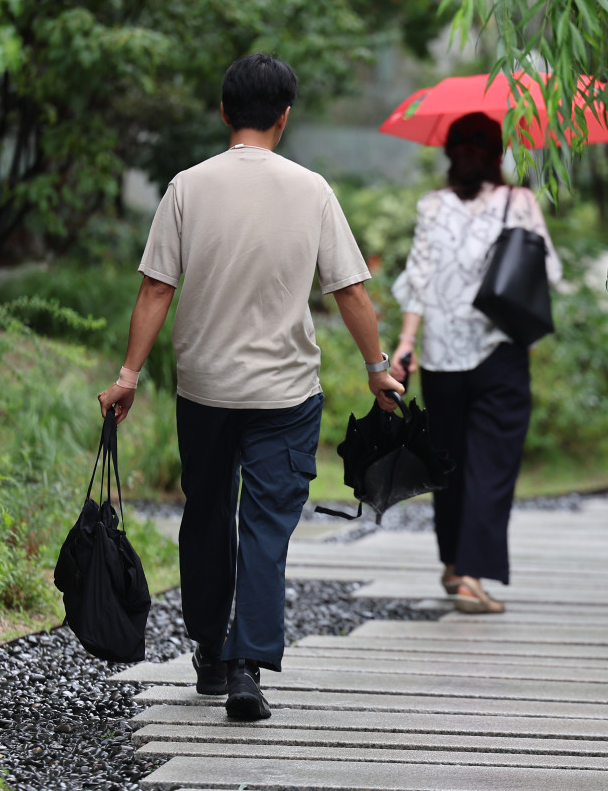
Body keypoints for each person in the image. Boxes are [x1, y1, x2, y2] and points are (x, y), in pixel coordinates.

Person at [96, 53, 402, 720]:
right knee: (265, 527)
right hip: (286, 395)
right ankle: (245, 665)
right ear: (285, 117)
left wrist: (127, 376)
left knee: (206, 514)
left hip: (204, 388)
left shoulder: (187, 187)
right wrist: (378, 368)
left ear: (225, 112)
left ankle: (209, 649)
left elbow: (155, 287)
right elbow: (349, 289)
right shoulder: (313, 190)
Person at [389, 112, 560, 615]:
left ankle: (452, 564)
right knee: (492, 467)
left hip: (441, 358)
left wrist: (406, 342)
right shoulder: (519, 200)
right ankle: (470, 576)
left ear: (449, 154)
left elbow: (418, 279)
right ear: (496, 153)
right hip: (499, 352)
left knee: (450, 464)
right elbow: (548, 268)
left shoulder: (432, 207)